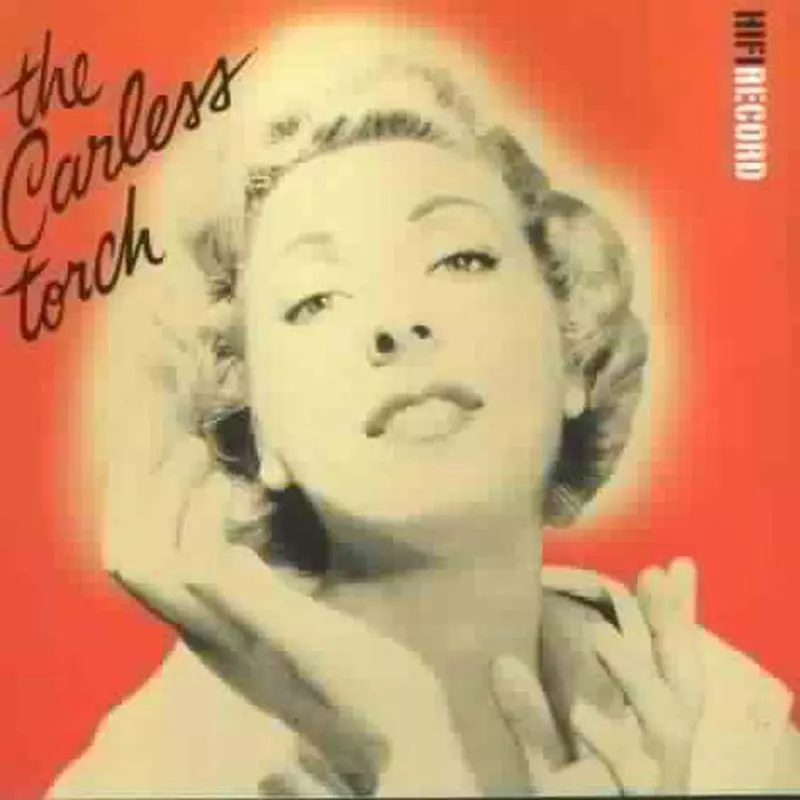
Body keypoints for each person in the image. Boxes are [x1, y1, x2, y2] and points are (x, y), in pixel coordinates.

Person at [50, 14, 797, 798]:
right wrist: (403, 747)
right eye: (315, 300)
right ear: (255, 427)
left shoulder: (718, 726)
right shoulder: (158, 775)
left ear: (574, 349)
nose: (396, 321)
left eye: (459, 258)